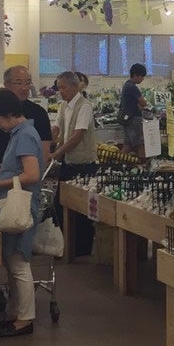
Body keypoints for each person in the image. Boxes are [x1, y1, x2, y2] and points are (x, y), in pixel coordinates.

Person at [0, 87, 43, 338]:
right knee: (12, 262)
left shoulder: (25, 135)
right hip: (11, 205)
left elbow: (32, 174)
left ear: (8, 114)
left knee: (19, 263)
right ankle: (14, 313)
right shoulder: (19, 133)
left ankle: (25, 319)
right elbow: (17, 168)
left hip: (21, 207)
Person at [51, 70, 98, 258]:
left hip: (83, 164)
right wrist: (48, 138)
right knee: (62, 203)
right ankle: (66, 245)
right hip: (68, 163)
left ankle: (82, 249)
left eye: (63, 87)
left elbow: (78, 135)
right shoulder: (64, 106)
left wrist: (57, 153)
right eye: (59, 87)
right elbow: (57, 127)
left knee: (82, 208)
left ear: (74, 87)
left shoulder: (84, 106)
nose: (60, 91)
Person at [0, 66, 51, 169]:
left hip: (22, 173)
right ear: (6, 85)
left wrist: (34, 174)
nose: (24, 88)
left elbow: (44, 151)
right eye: (19, 83)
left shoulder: (39, 113)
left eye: (28, 83)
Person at [119, 63, 149, 156]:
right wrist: (141, 104)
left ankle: (118, 161)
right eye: (141, 76)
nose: (142, 79)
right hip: (134, 119)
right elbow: (143, 103)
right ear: (135, 75)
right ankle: (142, 162)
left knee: (129, 144)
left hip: (128, 118)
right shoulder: (132, 87)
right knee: (140, 143)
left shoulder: (126, 85)